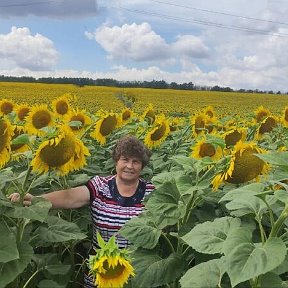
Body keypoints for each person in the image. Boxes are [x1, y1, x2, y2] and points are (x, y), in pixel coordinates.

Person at [9, 134, 155, 288]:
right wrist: (35, 199)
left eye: (136, 162)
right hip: (100, 269)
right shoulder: (100, 186)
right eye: (125, 159)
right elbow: (70, 197)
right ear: (116, 161)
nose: (130, 166)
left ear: (142, 166)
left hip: (136, 271)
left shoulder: (151, 192)